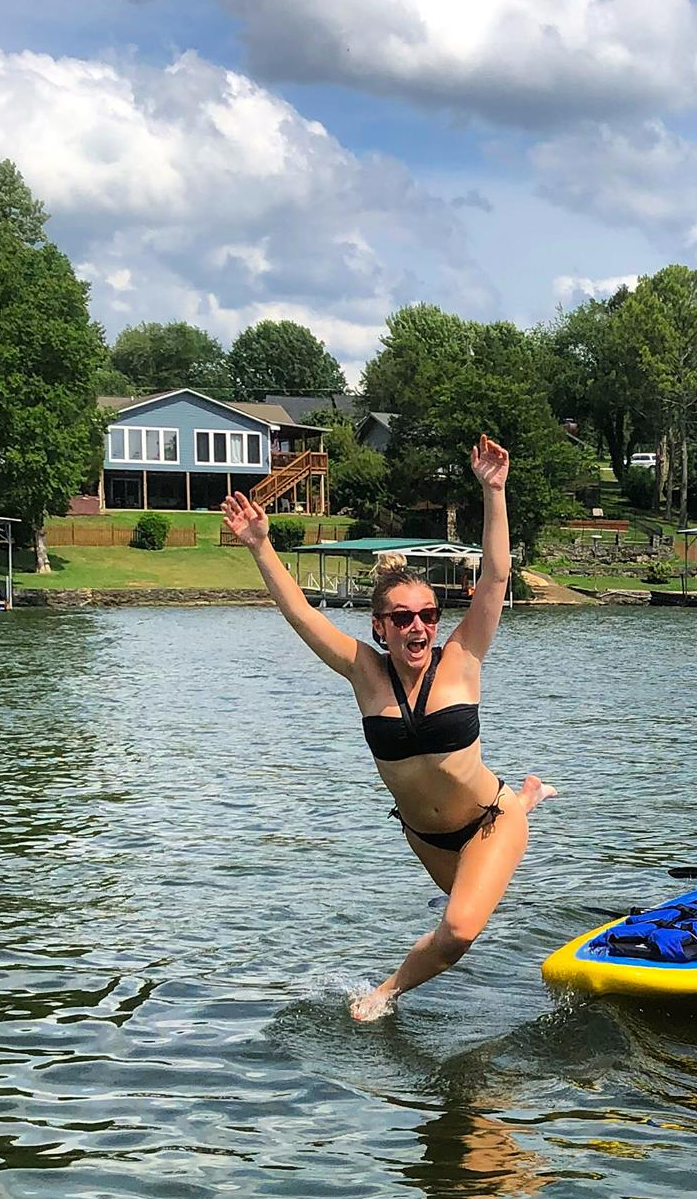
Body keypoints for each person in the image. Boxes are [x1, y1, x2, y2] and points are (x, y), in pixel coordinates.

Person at [222, 435, 554, 1018]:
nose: (419, 627)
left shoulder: (463, 658)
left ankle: (383, 995)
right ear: (381, 627)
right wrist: (260, 546)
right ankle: (528, 798)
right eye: (403, 618)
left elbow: (497, 578)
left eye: (428, 615)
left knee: (457, 933)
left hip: (486, 820)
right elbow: (301, 613)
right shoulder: (363, 672)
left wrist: (494, 492)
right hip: (425, 839)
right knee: (464, 913)